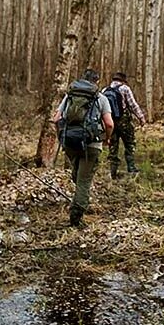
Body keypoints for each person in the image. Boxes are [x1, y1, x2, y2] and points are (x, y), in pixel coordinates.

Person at [52, 68, 114, 227]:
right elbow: (109, 123)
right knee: (84, 181)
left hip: (70, 142)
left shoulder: (70, 96)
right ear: (96, 81)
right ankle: (76, 215)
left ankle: (78, 194)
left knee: (78, 174)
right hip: (91, 144)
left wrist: (62, 136)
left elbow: (57, 118)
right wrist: (106, 138)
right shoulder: (100, 98)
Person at [103, 71, 147, 178]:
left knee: (113, 146)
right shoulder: (125, 89)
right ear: (123, 81)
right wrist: (141, 118)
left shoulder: (105, 90)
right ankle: (131, 170)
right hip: (124, 122)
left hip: (111, 122)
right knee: (129, 144)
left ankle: (112, 172)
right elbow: (133, 105)